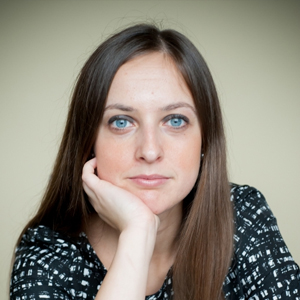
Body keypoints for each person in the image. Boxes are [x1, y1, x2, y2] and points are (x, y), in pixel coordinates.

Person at [10, 23, 300, 300]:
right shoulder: (48, 253)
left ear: (205, 139)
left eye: (175, 120)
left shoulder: (242, 215)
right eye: (122, 122)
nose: (149, 151)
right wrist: (137, 232)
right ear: (89, 141)